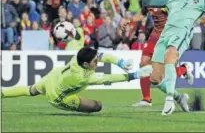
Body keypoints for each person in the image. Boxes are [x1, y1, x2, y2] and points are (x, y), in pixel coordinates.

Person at [2, 47, 152, 113]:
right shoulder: (82, 77)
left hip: (52, 78)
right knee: (96, 106)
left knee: (31, 90)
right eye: (95, 61)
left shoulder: (79, 58)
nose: (97, 62)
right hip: (58, 97)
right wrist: (134, 75)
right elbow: (108, 78)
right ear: (86, 65)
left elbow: (103, 56)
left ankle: (2, 92)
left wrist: (120, 63)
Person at [132, 0, 193, 108]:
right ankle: (146, 99)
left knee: (159, 76)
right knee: (143, 63)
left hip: (167, 36)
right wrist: (129, 21)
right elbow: (141, 14)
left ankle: (183, 69)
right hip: (155, 34)